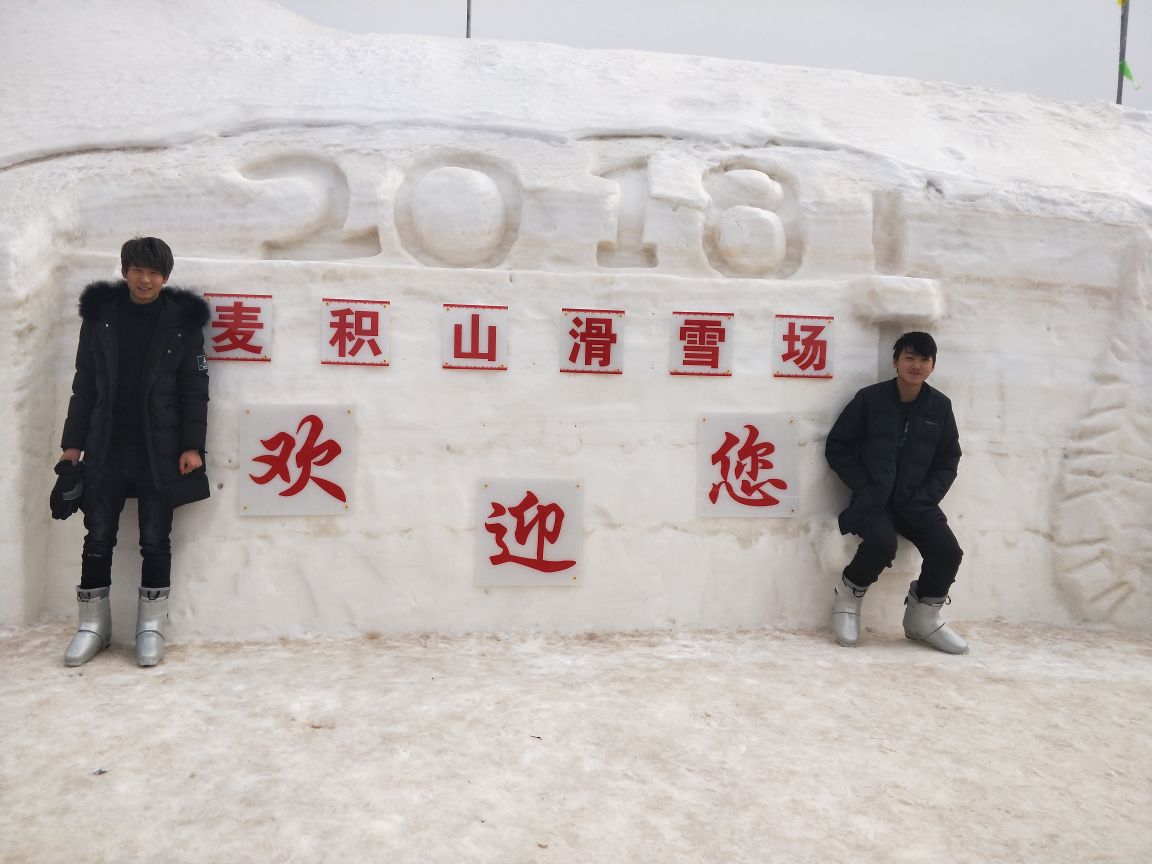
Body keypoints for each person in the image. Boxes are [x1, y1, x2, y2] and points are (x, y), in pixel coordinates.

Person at [53, 237, 210, 667]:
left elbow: (194, 391)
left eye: (155, 272)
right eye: (139, 269)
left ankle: (150, 627)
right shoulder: (102, 317)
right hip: (106, 445)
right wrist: (73, 446)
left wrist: (192, 446)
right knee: (98, 537)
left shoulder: (181, 322)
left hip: (158, 449)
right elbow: (84, 385)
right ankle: (93, 626)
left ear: (166, 276)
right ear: (124, 270)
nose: (146, 279)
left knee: (156, 540)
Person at [824, 331, 968, 654]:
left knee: (948, 551)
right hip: (874, 500)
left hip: (916, 501)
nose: (915, 365)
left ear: (932, 366)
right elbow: (838, 446)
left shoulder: (940, 408)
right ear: (895, 362)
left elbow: (949, 458)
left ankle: (924, 617)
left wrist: (928, 495)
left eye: (923, 359)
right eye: (909, 357)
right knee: (881, 543)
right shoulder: (869, 400)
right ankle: (849, 596)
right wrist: (864, 485)